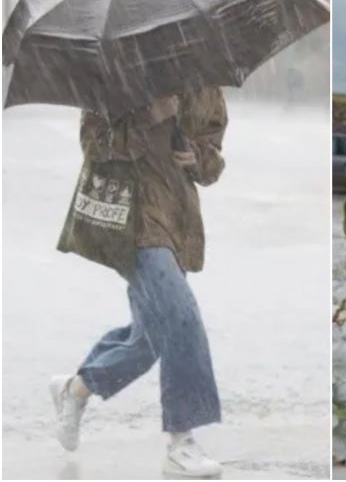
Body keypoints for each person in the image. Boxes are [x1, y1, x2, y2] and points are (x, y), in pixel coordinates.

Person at [50, 87, 228, 478]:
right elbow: (94, 144)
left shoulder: (204, 83)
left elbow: (214, 159)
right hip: (131, 221)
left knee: (151, 338)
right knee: (181, 319)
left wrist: (197, 158)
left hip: (178, 220)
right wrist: (150, 115)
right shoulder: (115, 74)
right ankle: (183, 441)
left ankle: (76, 388)